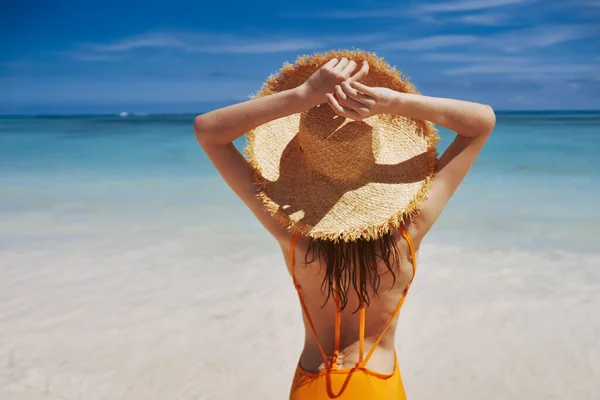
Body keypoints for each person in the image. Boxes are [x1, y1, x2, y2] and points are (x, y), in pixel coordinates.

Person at [194, 50, 495, 399]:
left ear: (302, 167)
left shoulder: (293, 236)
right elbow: (481, 122)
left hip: (314, 382)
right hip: (378, 384)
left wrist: (302, 96)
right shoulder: (409, 231)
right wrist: (393, 102)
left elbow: (208, 131)